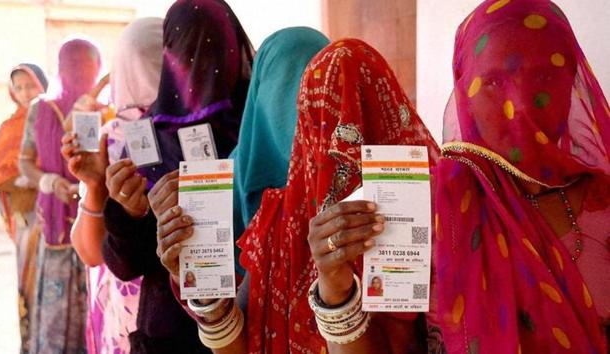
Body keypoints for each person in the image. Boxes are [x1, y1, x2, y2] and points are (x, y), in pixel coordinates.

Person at [315, 1, 610, 353]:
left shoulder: (604, 204)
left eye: (543, 76)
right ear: (464, 92)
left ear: (572, 81)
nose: (521, 104)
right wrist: (335, 288)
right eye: (495, 82)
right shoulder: (424, 207)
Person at [155, 26, 330, 353]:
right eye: (286, 92)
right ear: (260, 96)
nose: (299, 114)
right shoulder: (218, 189)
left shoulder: (360, 186)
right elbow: (223, 326)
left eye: (316, 93)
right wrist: (195, 277)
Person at [101, 1, 253, 352]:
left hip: (250, 325)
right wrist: (129, 212)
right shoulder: (150, 138)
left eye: (211, 48)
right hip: (172, 333)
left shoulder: (259, 126)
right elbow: (123, 265)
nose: (199, 66)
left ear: (233, 50)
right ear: (169, 54)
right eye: (186, 50)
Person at [60, 17, 163, 354]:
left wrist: (93, 185)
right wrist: (93, 183)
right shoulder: (216, 126)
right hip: (184, 317)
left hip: (126, 313)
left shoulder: (114, 135)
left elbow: (90, 253)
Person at [19, 38, 101, 354]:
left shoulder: (102, 108)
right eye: (74, 64)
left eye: (87, 64)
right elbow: (24, 163)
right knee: (54, 320)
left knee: (94, 314)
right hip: (54, 224)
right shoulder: (40, 108)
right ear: (61, 67)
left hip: (94, 225)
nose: (81, 70)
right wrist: (51, 183)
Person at [0, 63, 47, 352]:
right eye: (19, 87)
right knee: (29, 278)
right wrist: (28, 178)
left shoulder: (53, 117)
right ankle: (31, 341)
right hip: (28, 215)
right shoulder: (9, 127)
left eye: (30, 85)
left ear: (43, 84)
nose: (25, 93)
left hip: (58, 211)